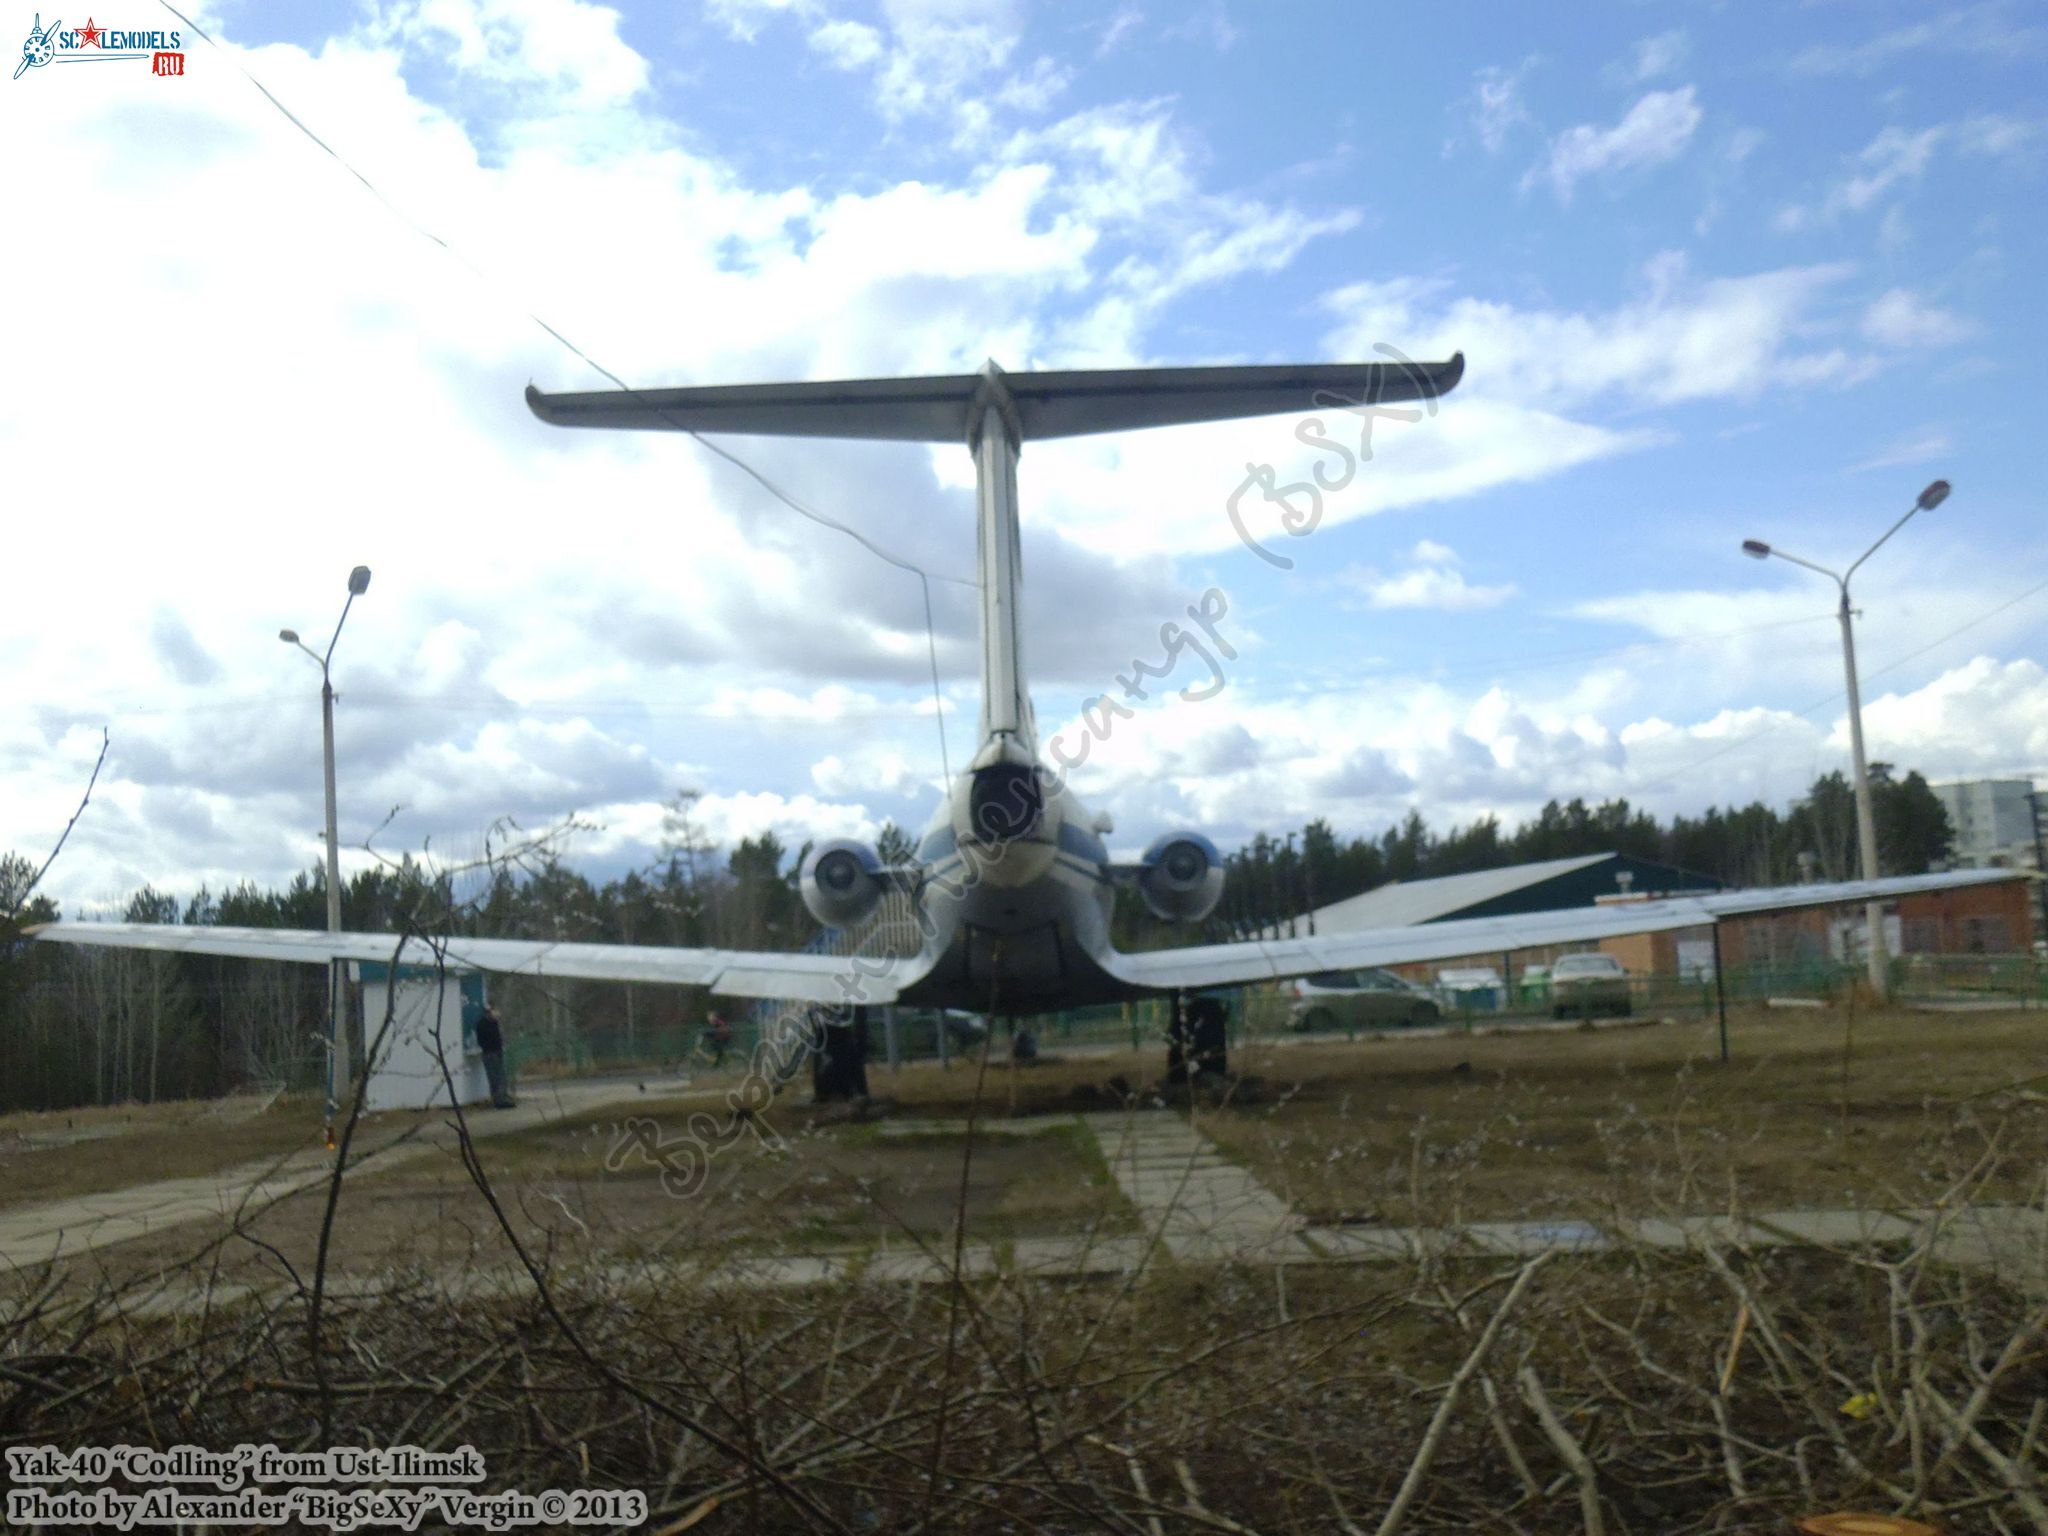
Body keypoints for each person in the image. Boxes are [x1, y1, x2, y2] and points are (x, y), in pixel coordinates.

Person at [475, 1003, 514, 1109]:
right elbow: (484, 1040)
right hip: (489, 1053)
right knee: (494, 1078)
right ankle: (498, 1101)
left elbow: (498, 1037)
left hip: (498, 1052)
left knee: (502, 1077)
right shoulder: (482, 1024)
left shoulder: (494, 1023)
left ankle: (503, 1098)